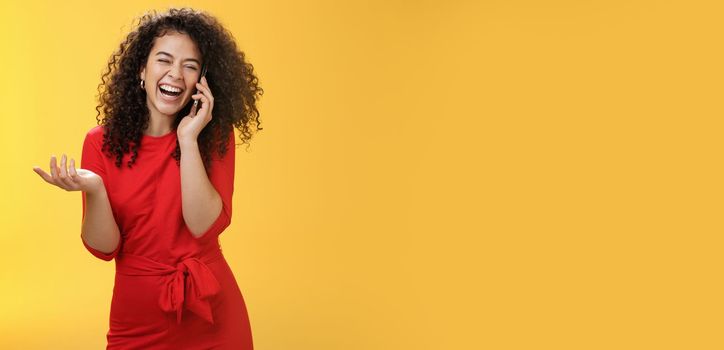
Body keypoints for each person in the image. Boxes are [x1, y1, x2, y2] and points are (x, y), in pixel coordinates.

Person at [32, 7, 263, 349]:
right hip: (137, 317)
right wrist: (95, 189)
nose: (175, 74)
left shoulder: (213, 137)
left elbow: (202, 226)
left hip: (212, 314)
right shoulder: (100, 142)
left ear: (202, 81)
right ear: (142, 69)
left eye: (190, 66)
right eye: (164, 60)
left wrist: (187, 138)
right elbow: (104, 247)